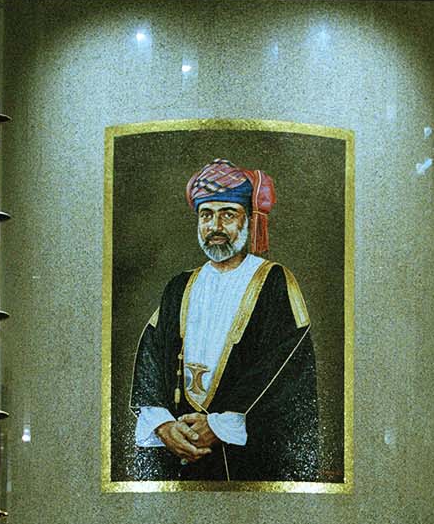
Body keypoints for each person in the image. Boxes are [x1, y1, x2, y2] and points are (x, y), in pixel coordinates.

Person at [129, 158, 318, 482]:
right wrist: (163, 424)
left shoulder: (273, 282)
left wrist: (219, 425)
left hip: (245, 455)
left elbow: (285, 369)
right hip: (177, 450)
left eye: (228, 214)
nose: (215, 226)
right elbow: (151, 357)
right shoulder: (179, 286)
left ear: (249, 220)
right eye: (206, 215)